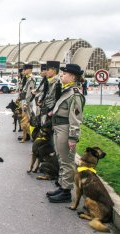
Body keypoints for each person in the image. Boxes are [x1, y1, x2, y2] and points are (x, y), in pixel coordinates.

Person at [47, 64, 85, 203]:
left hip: (66, 130)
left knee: (67, 161)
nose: (61, 75)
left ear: (73, 77)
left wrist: (73, 138)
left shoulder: (75, 94)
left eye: (65, 73)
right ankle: (62, 186)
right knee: (61, 159)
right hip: (59, 128)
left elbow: (76, 119)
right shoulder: (67, 91)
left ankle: (66, 192)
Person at [39, 61, 61, 126]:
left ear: (54, 70)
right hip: (46, 108)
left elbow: (58, 99)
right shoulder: (50, 81)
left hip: (51, 111)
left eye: (48, 70)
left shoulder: (58, 82)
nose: (46, 71)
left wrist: (52, 111)